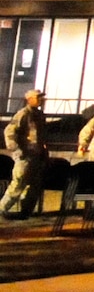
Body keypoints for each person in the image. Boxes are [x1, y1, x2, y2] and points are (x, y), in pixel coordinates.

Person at [1, 90, 49, 218]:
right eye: (38, 97)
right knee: (18, 184)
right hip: (25, 156)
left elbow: (41, 137)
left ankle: (25, 212)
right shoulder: (23, 114)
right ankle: (2, 209)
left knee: (34, 186)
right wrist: (17, 151)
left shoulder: (39, 115)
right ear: (29, 99)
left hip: (37, 156)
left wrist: (44, 152)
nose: (41, 99)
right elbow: (9, 133)